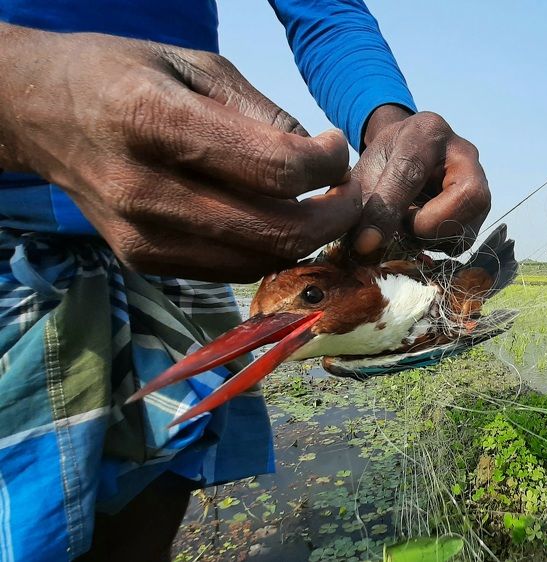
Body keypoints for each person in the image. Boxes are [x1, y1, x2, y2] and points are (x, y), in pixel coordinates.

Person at [0, 1, 491, 560]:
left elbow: (326, 13)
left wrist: (389, 122)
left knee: (147, 517)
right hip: (13, 239)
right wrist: (18, 89)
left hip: (184, 240)